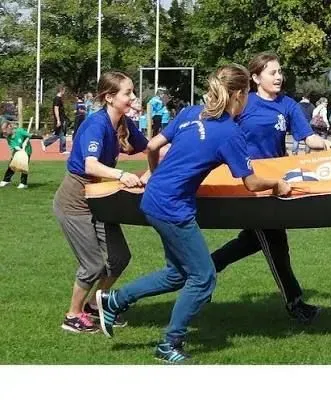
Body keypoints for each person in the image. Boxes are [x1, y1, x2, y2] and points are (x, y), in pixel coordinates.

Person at [95, 64, 291, 363]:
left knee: (177, 274)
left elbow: (153, 146)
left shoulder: (190, 113)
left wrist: (155, 174)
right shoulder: (230, 132)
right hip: (172, 208)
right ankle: (169, 343)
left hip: (156, 199)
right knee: (203, 277)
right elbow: (252, 183)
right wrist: (277, 184)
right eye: (247, 96)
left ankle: (115, 300)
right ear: (239, 94)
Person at [210, 52, 331, 324]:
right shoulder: (245, 102)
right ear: (255, 78)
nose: (279, 77)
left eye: (280, 72)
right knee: (275, 242)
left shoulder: (287, 105)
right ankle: (295, 303)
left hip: (275, 185)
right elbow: (220, 130)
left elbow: (308, 137)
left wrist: (326, 144)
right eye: (272, 72)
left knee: (253, 240)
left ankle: (203, 270)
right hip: (249, 184)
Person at [53, 71, 149, 333]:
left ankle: (96, 305)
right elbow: (91, 165)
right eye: (128, 93)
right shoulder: (96, 124)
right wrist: (122, 174)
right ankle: (73, 316)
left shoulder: (124, 123)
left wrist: (180, 151)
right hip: (75, 201)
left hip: (101, 197)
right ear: (109, 97)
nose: (133, 97)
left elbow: (152, 147)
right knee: (93, 264)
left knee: (119, 257)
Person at [0, 120, 32, 189]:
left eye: (5, 131)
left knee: (23, 166)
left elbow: (30, 135)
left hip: (26, 151)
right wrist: (20, 149)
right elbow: (15, 146)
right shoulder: (8, 137)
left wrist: (25, 142)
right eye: (3, 131)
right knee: (12, 165)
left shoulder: (20, 131)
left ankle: (23, 183)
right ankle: (6, 180)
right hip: (17, 151)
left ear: (9, 127)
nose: (4, 133)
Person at [42, 85, 69, 154]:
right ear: (61, 90)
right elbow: (56, 109)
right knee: (62, 134)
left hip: (62, 118)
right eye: (64, 90)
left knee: (58, 135)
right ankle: (62, 150)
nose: (64, 92)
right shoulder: (57, 99)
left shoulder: (59, 98)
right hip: (60, 119)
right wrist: (58, 120)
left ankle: (45, 143)